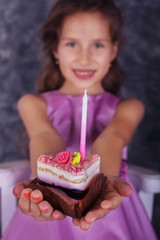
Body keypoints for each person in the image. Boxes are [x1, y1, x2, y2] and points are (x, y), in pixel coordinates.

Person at [2, 0, 157, 239]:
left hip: (110, 218)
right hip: (47, 221)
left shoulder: (128, 108)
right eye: (72, 43)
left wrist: (97, 190)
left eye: (97, 44)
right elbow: (45, 136)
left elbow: (111, 140)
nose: (85, 58)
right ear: (55, 49)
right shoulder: (33, 104)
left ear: (113, 51)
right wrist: (49, 189)